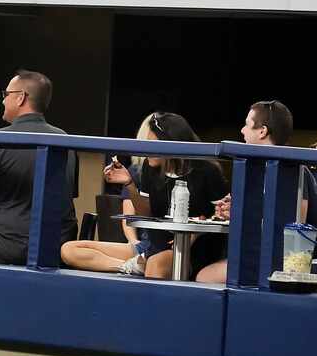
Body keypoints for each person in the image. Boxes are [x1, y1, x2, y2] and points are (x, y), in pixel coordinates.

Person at [62, 112, 229, 280]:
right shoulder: (150, 169)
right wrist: (129, 184)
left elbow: (222, 215)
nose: (147, 149)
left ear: (170, 142)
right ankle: (129, 267)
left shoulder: (206, 170)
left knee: (156, 264)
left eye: (152, 143)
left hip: (189, 250)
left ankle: (140, 265)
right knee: (69, 250)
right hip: (152, 245)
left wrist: (194, 233)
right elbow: (146, 213)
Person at [198, 100, 317, 284]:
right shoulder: (253, 167)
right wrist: (235, 211)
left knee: (205, 277)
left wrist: (245, 211)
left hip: (290, 262)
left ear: (262, 131)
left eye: (247, 125)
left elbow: (296, 222)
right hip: (261, 254)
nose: (242, 130)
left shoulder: (291, 169)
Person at [0, 70, 77, 265]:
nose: (2, 101)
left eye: (5, 95)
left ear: (20, 98)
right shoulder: (66, 141)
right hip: (55, 247)